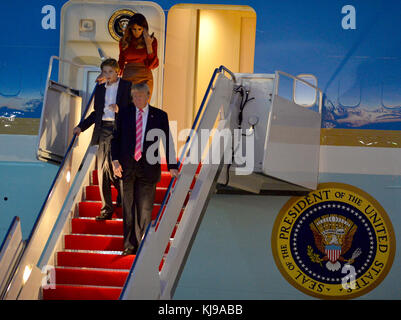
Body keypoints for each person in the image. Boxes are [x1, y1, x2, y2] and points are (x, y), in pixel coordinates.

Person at [111, 83, 178, 255]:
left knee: (144, 209)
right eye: (134, 96)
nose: (136, 99)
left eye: (140, 96)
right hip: (126, 168)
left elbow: (167, 141)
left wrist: (172, 166)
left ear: (148, 96)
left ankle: (142, 246)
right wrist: (115, 161)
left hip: (148, 168)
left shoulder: (160, 115)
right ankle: (129, 246)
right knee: (128, 208)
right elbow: (115, 138)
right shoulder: (124, 113)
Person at [73, 58, 132, 220]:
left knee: (113, 166)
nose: (108, 75)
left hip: (120, 129)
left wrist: (120, 110)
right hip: (104, 130)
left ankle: (120, 197)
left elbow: (135, 110)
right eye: (105, 72)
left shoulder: (127, 86)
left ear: (117, 72)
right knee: (103, 169)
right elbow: (96, 113)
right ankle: (107, 209)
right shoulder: (99, 89)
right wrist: (81, 127)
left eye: (110, 72)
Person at [118, 13, 159, 99]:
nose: (136, 32)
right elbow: (121, 61)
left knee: (142, 105)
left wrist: (148, 45)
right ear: (130, 29)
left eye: (139, 29)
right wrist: (113, 74)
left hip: (144, 77)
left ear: (144, 28)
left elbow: (152, 65)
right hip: (128, 76)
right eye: (134, 29)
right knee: (127, 104)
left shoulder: (152, 40)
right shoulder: (124, 41)